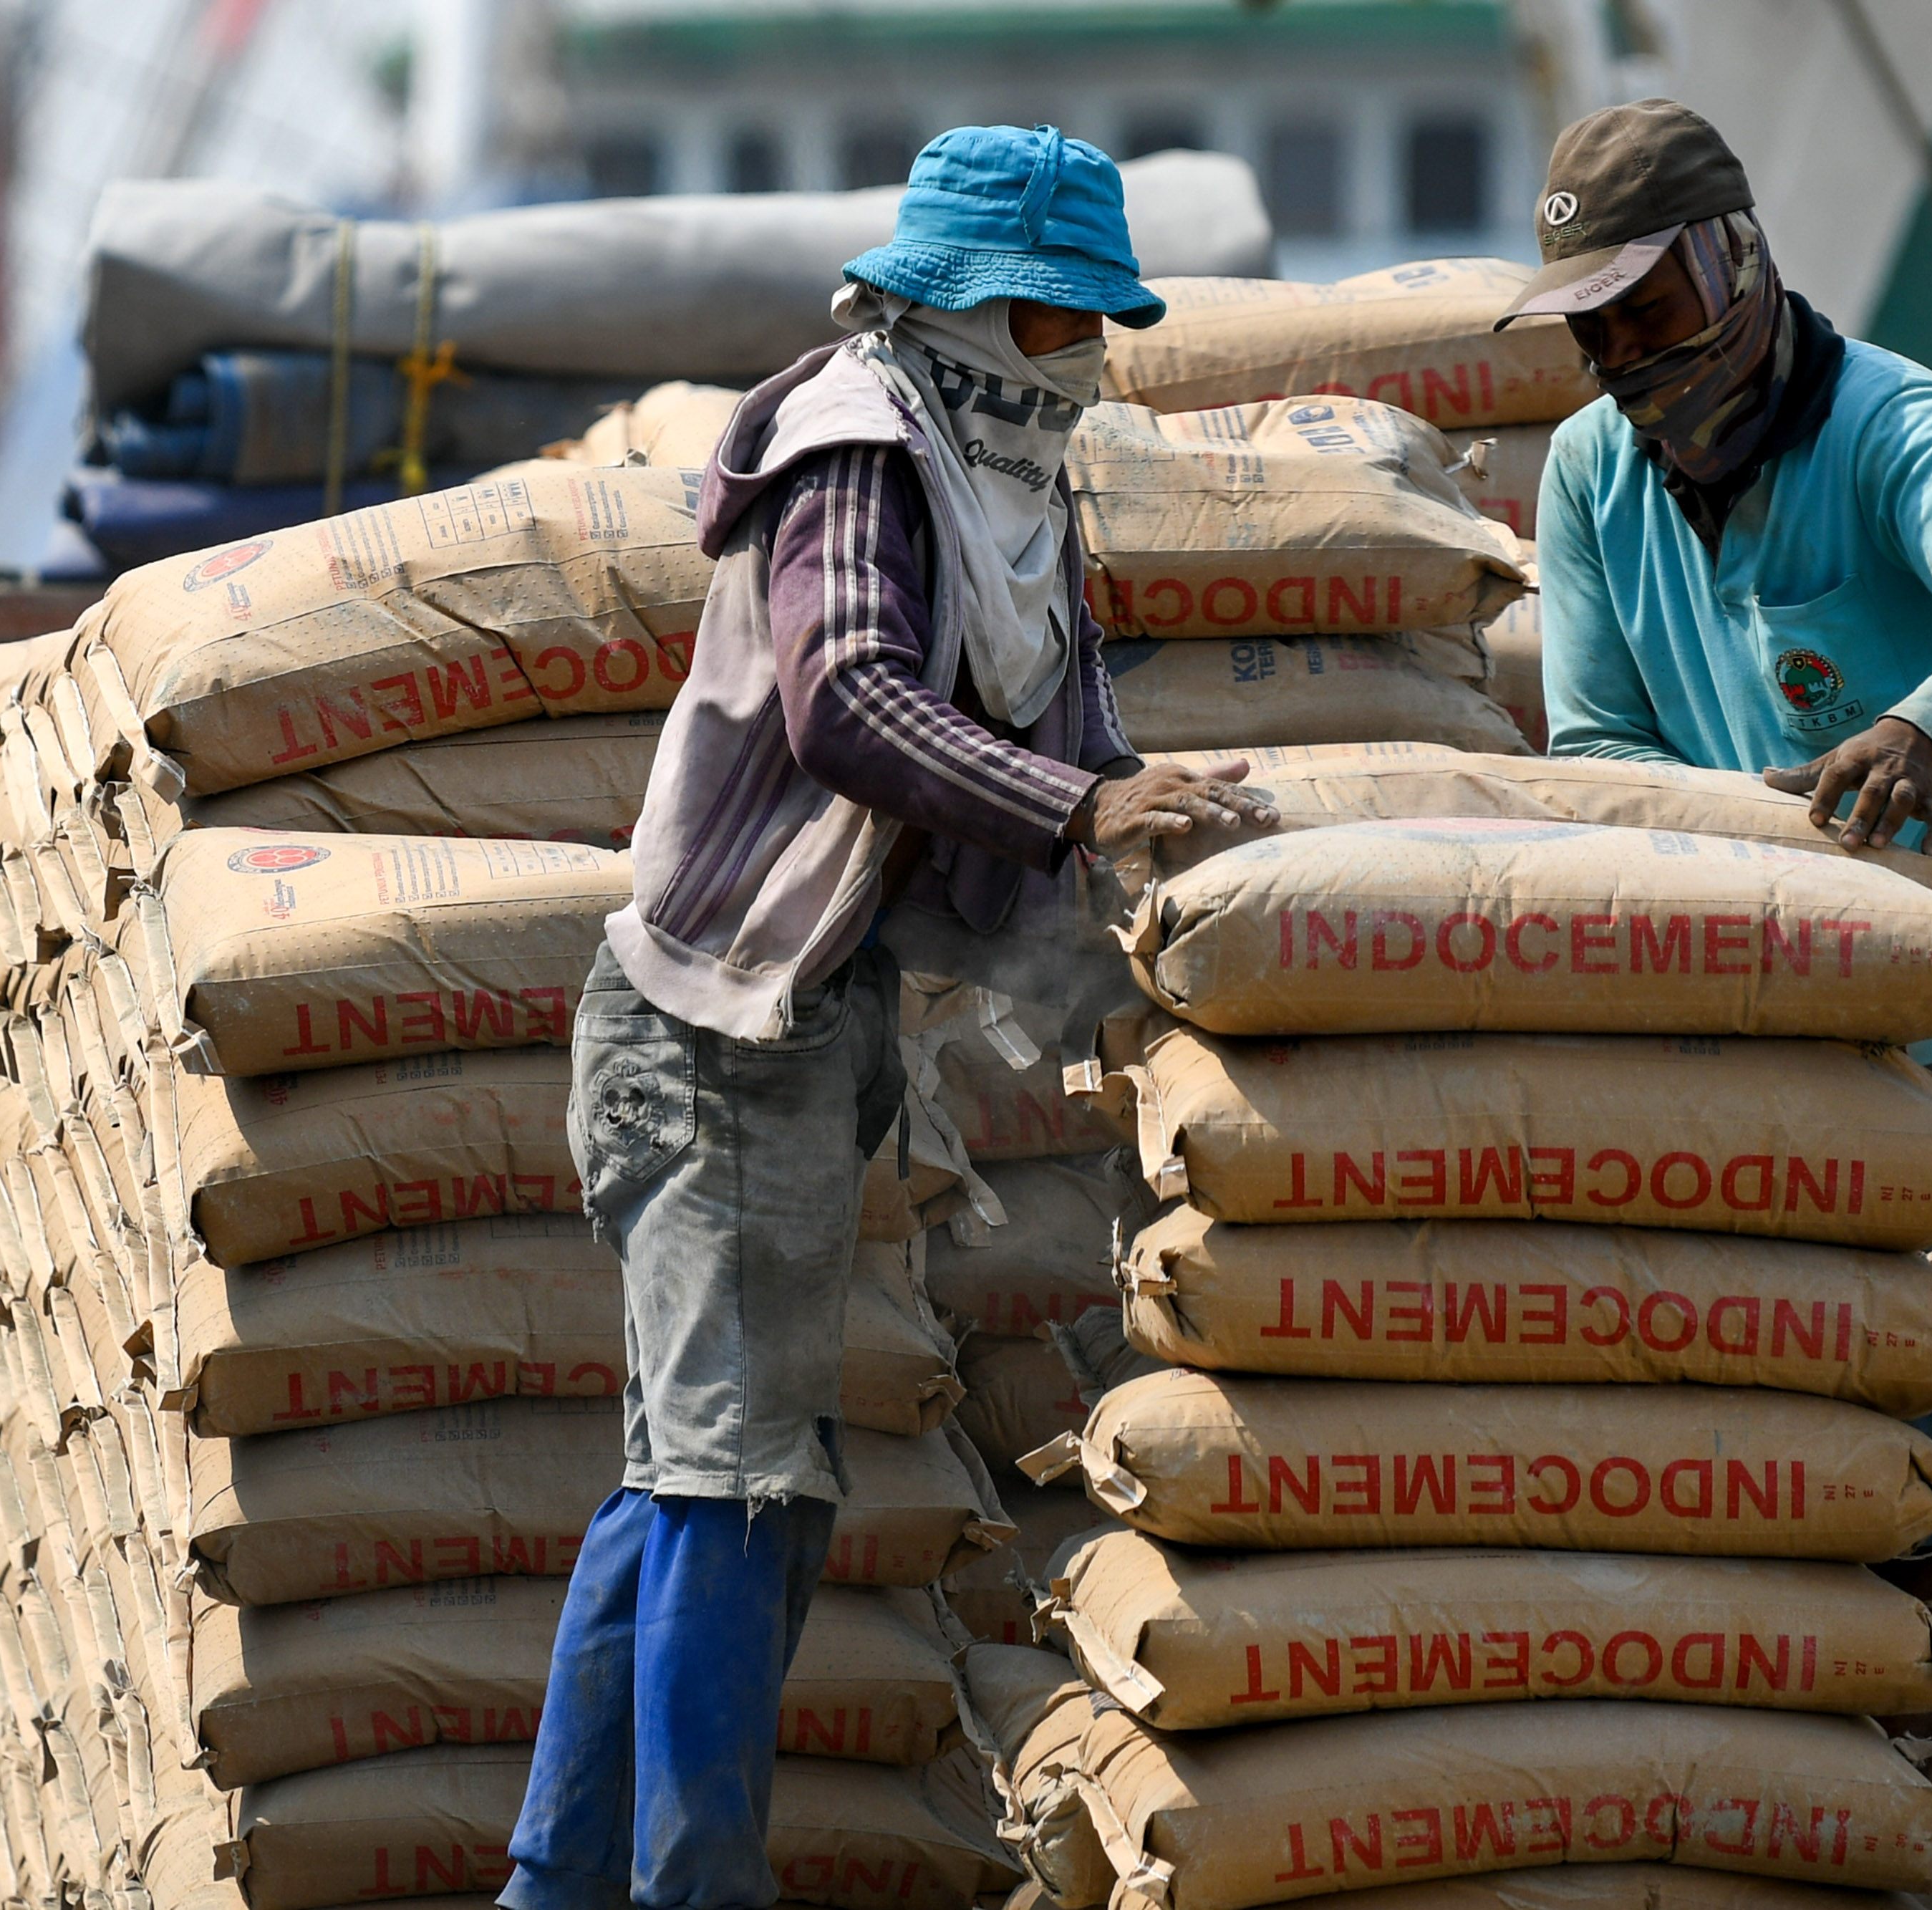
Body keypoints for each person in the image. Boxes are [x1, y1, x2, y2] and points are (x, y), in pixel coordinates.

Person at [497, 125, 1274, 1910]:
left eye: (1099, 322)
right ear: (976, 311)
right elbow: (845, 697)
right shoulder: (859, 444)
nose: (1087, 355)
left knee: (694, 1477)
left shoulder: (1011, 488)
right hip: (708, 1035)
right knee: (737, 1489)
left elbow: (1067, 733)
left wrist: (1153, 833)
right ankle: (692, 1889)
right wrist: (1081, 810)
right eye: (1061, 319)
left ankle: (555, 1884)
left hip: (807, 1023)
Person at [1499, 100, 1932, 1699]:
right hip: (1738, 1009)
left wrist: (1924, 731)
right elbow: (1598, 745)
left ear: (1739, 261)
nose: (1626, 358)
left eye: (1652, 311)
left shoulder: (1895, 424)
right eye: (1594, 331)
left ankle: (1888, 1720)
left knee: (1903, 1423)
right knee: (1728, 1410)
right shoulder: (1589, 472)